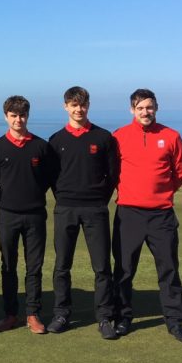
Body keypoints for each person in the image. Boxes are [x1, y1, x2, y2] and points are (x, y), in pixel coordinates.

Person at [112, 89, 182, 342]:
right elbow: (112, 172)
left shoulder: (171, 136)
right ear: (132, 110)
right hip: (129, 213)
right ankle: (123, 316)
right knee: (124, 270)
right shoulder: (119, 136)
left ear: (156, 107)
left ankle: (175, 320)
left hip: (161, 214)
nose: (145, 112)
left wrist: (162, 193)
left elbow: (179, 173)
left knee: (168, 268)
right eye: (140, 108)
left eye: (149, 107)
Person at [47, 86, 118, 339]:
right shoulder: (56, 140)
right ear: (65, 106)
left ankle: (105, 316)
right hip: (65, 208)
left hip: (95, 209)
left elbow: (113, 175)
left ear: (88, 106)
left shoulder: (103, 137)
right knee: (62, 266)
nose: (78, 109)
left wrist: (100, 200)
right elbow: (52, 176)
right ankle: (61, 313)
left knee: (101, 267)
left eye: (82, 104)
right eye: (73, 105)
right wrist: (64, 198)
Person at [0, 96, 53, 334]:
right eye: (13, 115)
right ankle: (10, 313)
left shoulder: (41, 146)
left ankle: (33, 314)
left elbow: (47, 178)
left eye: (22, 115)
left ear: (28, 116)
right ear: (6, 116)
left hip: (35, 215)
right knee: (8, 266)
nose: (18, 120)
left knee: (34, 267)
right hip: (7, 215)